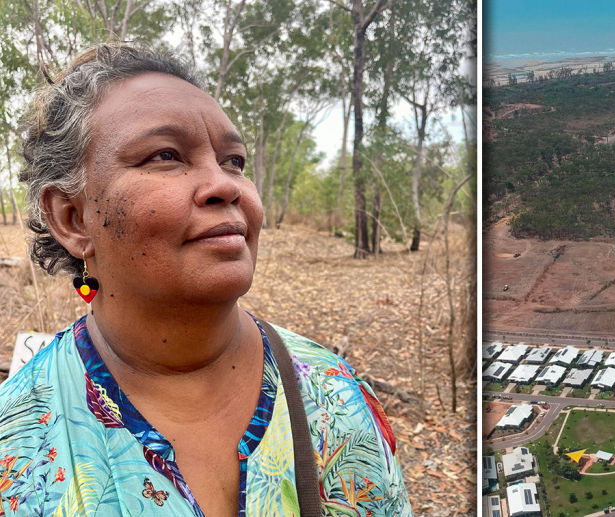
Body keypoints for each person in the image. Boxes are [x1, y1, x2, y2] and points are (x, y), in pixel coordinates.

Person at [2, 43, 412, 517]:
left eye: (233, 160)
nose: (225, 185)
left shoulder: (337, 399)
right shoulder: (18, 443)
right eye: (165, 155)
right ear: (72, 218)